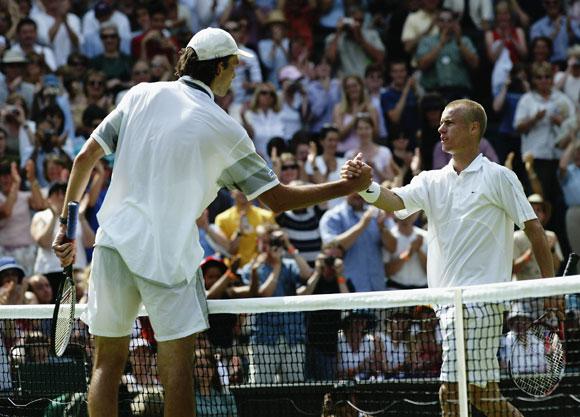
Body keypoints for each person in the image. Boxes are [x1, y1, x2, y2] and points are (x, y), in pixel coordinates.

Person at [52, 27, 371, 417]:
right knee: (179, 375)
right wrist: (343, 185)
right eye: (234, 66)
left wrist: (65, 227)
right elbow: (277, 200)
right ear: (218, 67)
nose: (236, 74)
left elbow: (84, 158)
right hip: (167, 258)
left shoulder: (139, 95)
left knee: (106, 365)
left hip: (112, 243)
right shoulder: (226, 130)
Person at [342, 98, 554, 417]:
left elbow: (535, 231)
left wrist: (547, 288)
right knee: (484, 396)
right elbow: (396, 201)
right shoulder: (431, 180)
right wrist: (367, 187)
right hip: (447, 305)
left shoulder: (499, 177)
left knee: (450, 392)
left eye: (449, 122)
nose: (440, 129)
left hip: (481, 304)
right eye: (440, 123)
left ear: (473, 128)